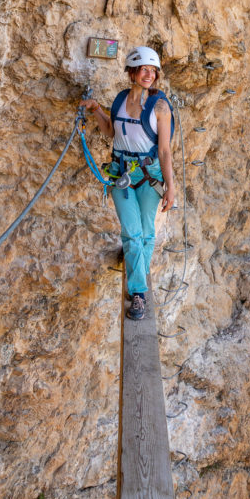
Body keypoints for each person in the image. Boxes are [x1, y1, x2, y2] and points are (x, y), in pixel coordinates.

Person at [81, 46, 176, 320]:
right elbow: (111, 131)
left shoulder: (160, 106)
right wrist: (97, 110)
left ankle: (138, 281)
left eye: (153, 71)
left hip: (150, 174)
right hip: (121, 172)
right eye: (144, 69)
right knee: (132, 233)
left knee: (147, 233)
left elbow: (165, 150)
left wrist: (171, 185)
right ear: (132, 72)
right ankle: (138, 293)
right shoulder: (121, 99)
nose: (149, 75)